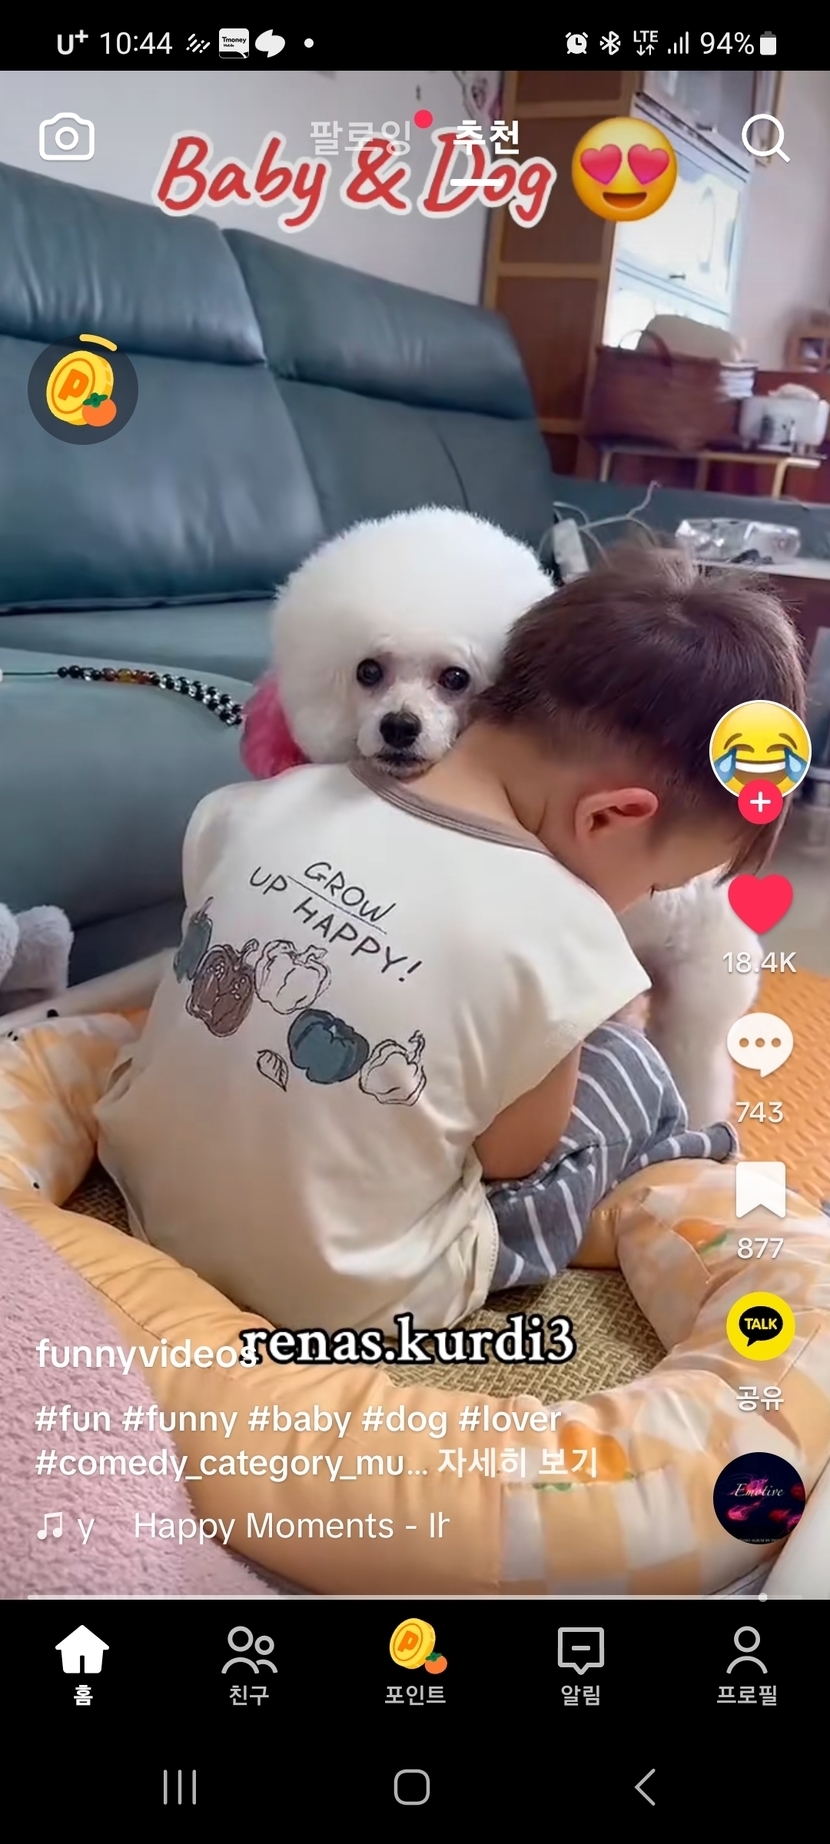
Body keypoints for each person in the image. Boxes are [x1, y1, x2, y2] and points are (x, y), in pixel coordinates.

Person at [96, 545, 806, 1335]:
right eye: (659, 883)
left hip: (142, 1181)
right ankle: (677, 1172)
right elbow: (511, 1157)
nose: (647, 900)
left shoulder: (260, 805)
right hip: (347, 1291)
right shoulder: (569, 936)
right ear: (609, 817)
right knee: (630, 1067)